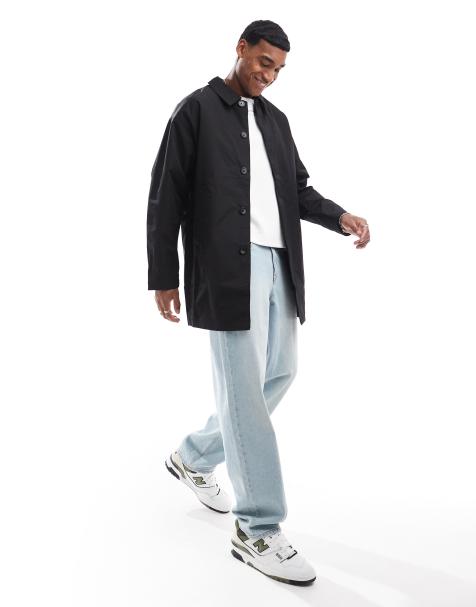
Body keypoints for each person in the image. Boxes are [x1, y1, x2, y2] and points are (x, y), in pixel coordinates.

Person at [148, 20, 370, 586]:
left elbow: (295, 189)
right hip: (227, 269)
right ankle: (257, 528)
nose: (269, 76)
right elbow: (165, 194)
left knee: (279, 373)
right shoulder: (196, 110)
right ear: (241, 49)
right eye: (264, 62)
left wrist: (340, 216)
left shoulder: (276, 120)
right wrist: (164, 276)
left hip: (278, 264)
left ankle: (195, 456)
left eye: (279, 69)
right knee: (244, 393)